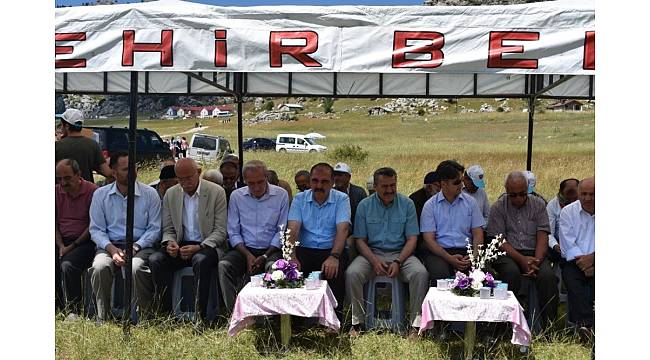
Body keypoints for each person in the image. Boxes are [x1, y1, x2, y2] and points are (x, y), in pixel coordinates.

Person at [346, 167, 429, 337]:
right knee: (352, 273)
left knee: (420, 273)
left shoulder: (407, 204)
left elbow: (412, 238)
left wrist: (398, 261)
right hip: (372, 254)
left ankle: (415, 325)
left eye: (393, 185)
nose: (390, 190)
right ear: (375, 186)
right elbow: (360, 240)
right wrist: (375, 261)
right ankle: (358, 322)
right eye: (384, 186)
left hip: (401, 254)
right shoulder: (364, 205)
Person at [149, 158, 228, 323]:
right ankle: (165, 312)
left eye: (189, 178)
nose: (185, 183)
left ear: (198, 173)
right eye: (180, 179)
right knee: (156, 259)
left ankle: (202, 315)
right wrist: (169, 242)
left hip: (208, 244)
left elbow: (220, 231)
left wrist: (200, 247)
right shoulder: (171, 194)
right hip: (181, 244)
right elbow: (168, 228)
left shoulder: (216, 192)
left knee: (201, 260)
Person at [88, 151, 161, 322]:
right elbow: (96, 230)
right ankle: (102, 317)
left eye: (133, 168)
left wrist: (135, 247)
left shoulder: (150, 194)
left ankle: (145, 316)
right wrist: (112, 250)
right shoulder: (101, 195)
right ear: (113, 172)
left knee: (136, 267)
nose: (132, 172)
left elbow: (155, 229)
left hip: (140, 245)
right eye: (126, 169)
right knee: (99, 267)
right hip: (110, 245)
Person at [487, 171, 557, 330]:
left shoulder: (538, 204)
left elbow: (543, 235)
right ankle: (504, 325)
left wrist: (536, 262)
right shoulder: (498, 207)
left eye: (522, 194)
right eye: (513, 195)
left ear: (528, 189)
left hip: (534, 253)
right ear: (505, 190)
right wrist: (521, 260)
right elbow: (499, 240)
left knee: (548, 277)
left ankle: (549, 327)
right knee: (510, 273)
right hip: (508, 253)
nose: (518, 198)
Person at [219, 160, 289, 314]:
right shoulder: (237, 196)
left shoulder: (280, 195)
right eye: (251, 183)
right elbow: (233, 231)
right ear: (244, 181)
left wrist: (265, 255)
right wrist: (247, 254)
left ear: (266, 177)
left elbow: (281, 231)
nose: (256, 187)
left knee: (275, 269)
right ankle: (236, 314)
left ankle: (267, 315)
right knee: (224, 266)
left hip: (271, 249)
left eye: (260, 182)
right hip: (244, 248)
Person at [287, 163, 351, 320]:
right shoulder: (299, 199)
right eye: (315, 181)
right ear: (309, 181)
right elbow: (293, 229)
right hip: (305, 249)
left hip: (331, 249)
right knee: (293, 273)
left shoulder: (342, 199)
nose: (319, 186)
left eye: (324, 182)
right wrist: (292, 256)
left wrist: (334, 256)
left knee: (335, 271)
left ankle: (333, 320)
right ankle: (298, 320)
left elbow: (342, 230)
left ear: (332, 182)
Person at [420, 161, 485, 284]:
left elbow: (478, 233)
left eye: (461, 180)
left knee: (482, 275)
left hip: (467, 251)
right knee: (440, 275)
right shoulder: (430, 206)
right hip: (440, 252)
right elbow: (429, 240)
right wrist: (449, 258)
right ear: (443, 183)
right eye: (457, 182)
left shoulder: (471, 203)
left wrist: (474, 256)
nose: (461, 185)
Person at [55, 159, 98, 318]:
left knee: (68, 265)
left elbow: (93, 225)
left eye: (67, 178)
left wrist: (71, 246)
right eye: (59, 179)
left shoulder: (92, 191)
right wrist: (60, 244)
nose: (63, 183)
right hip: (62, 239)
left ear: (78, 175)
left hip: (84, 240)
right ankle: (58, 305)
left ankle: (73, 309)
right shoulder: (55, 192)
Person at [559, 177, 595, 329]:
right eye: (584, 194)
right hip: (575, 262)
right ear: (578, 194)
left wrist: (593, 259)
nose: (587, 198)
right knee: (573, 280)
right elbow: (568, 243)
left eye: (592, 194)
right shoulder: (568, 212)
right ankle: (586, 326)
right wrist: (585, 265)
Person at [55, 108, 112, 183]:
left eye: (62, 125)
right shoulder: (93, 144)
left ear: (67, 126)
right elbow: (107, 172)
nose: (61, 128)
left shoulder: (57, 146)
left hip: (62, 191)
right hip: (87, 192)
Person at [547, 178, 580, 264]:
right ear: (561, 192)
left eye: (575, 194)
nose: (572, 198)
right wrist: (555, 246)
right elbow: (548, 232)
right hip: (560, 242)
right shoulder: (552, 205)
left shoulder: (585, 203)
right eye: (569, 193)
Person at [333, 162, 367, 230]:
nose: (336, 178)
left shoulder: (359, 193)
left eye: (340, 175)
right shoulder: (330, 193)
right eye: (334, 175)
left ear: (349, 177)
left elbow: (364, 217)